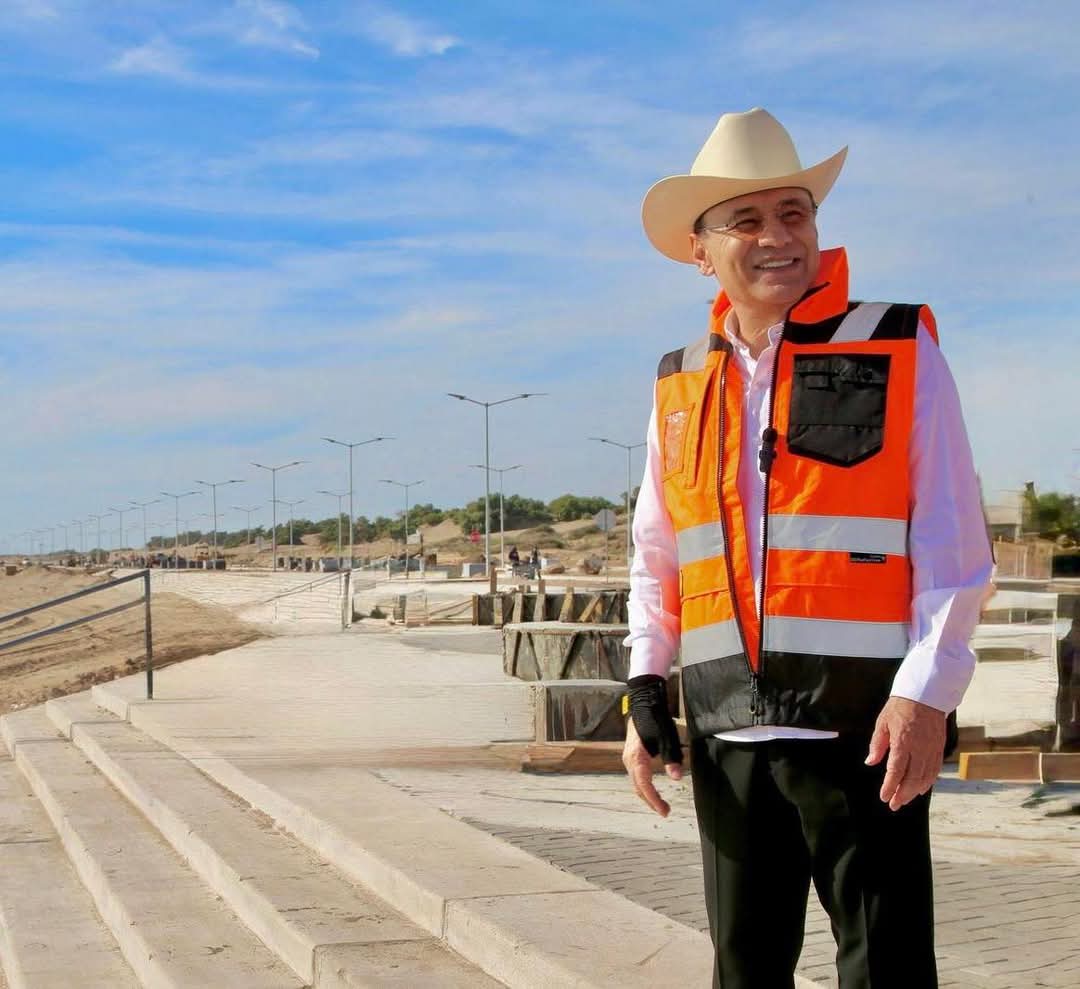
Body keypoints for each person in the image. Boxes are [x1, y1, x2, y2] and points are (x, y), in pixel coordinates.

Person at [623, 108, 992, 988]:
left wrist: (926, 698)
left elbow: (951, 540)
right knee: (744, 969)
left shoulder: (897, 347)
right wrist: (644, 680)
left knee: (888, 968)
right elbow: (658, 553)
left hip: (864, 727)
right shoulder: (680, 380)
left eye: (793, 213)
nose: (776, 237)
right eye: (744, 220)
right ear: (700, 250)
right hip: (724, 728)